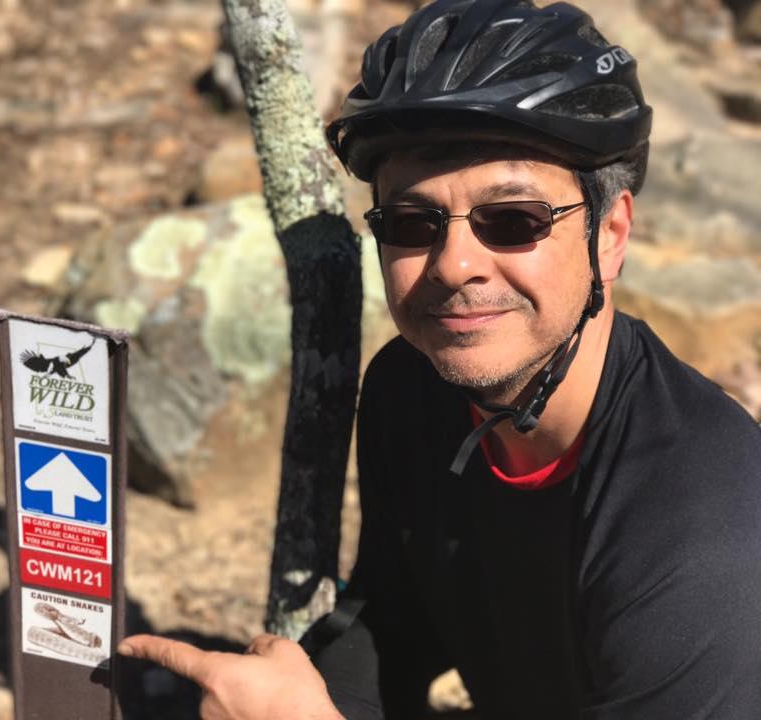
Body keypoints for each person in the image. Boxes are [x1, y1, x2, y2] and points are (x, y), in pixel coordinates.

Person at [119, 0, 761, 717]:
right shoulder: (411, 388)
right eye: (413, 222)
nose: (454, 265)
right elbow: (394, 624)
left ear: (609, 236)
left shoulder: (703, 525)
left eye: (512, 220)